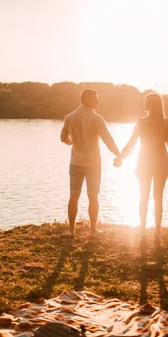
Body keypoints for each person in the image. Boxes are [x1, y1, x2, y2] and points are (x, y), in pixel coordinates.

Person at [121, 92, 168, 238]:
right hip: (160, 160)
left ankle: (143, 229)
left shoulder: (141, 122)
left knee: (143, 196)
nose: (143, 104)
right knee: (158, 197)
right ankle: (157, 231)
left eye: (145, 102)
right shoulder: (165, 122)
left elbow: (132, 142)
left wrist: (121, 156)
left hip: (144, 159)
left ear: (148, 105)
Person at [60, 89, 122, 237]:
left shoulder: (69, 117)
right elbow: (107, 139)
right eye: (96, 99)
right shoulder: (96, 118)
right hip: (93, 164)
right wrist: (118, 155)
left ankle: (71, 230)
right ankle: (93, 230)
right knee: (93, 196)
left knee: (73, 196)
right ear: (87, 100)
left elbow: (63, 138)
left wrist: (72, 142)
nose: (98, 102)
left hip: (75, 162)